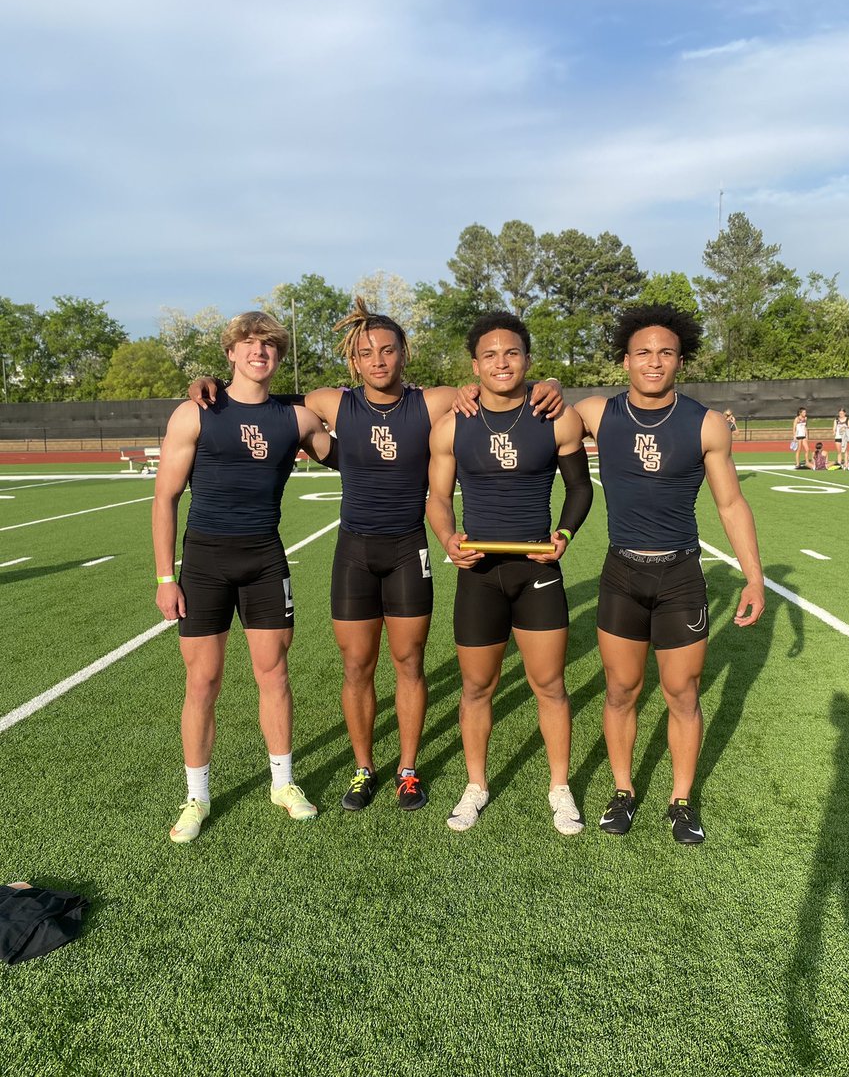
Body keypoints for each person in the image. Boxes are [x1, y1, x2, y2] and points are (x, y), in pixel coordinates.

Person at [189, 299, 563, 815]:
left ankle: (407, 770)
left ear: (403, 354)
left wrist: (550, 388)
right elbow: (257, 397)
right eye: (367, 353)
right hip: (354, 553)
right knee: (356, 665)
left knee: (409, 663)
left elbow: (505, 391)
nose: (379, 360)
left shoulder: (434, 402)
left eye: (388, 350)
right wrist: (207, 382)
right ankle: (364, 767)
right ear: (354, 361)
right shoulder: (331, 403)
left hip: (409, 549)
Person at [574, 304, 764, 846]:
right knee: (621, 689)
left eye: (666, 353)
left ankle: (680, 800)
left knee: (682, 693)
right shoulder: (595, 413)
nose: (654, 362)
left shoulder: (704, 423)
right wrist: (549, 382)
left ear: (680, 360)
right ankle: (623, 790)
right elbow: (521, 408)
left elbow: (730, 505)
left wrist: (753, 578)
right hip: (621, 575)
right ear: (624, 360)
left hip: (680, 574)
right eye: (643, 353)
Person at [153, 312, 336, 844]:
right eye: (249, 344)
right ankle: (197, 795)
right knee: (202, 681)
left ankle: (283, 783)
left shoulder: (297, 419)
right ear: (230, 353)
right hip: (205, 563)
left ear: (278, 357)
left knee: (273, 673)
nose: (260, 352)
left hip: (265, 561)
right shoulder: (196, 412)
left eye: (270, 345)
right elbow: (164, 497)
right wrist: (166, 577)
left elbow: (351, 453)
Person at [426, 311, 593, 835]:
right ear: (474, 365)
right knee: (477, 686)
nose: (502, 363)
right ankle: (475, 785)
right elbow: (436, 498)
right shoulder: (452, 424)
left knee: (549, 685)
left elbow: (581, 489)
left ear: (527, 359)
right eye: (491, 355)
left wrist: (563, 535)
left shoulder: (556, 417)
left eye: (512, 353)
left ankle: (560, 788)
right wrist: (448, 539)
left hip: (535, 570)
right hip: (480, 573)